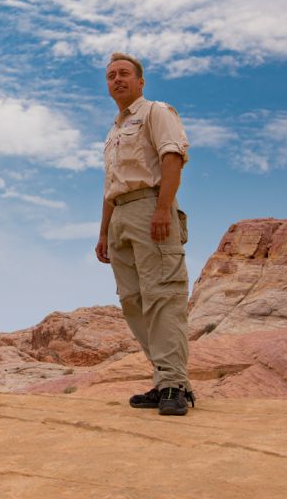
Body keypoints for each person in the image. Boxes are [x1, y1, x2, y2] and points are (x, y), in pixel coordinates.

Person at [94, 53, 195, 416]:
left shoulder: (155, 112)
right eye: (110, 76)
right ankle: (167, 379)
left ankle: (173, 384)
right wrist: (104, 232)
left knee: (163, 297)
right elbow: (110, 186)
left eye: (123, 74)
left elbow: (172, 157)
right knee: (133, 302)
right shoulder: (114, 130)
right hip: (120, 215)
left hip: (150, 207)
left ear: (140, 81)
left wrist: (163, 208)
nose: (116, 80)